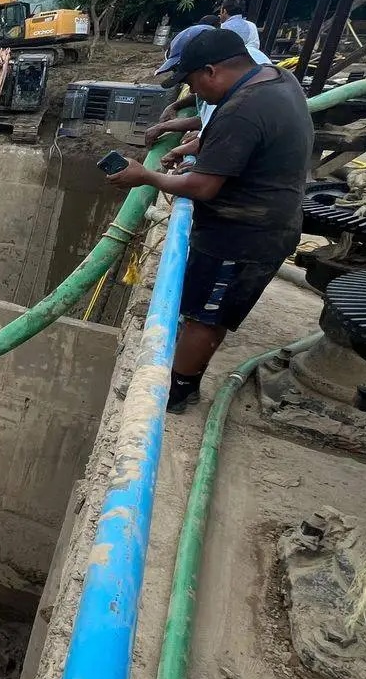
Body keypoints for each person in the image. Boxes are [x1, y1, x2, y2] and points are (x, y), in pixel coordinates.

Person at [106, 29, 314, 413]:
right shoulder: (275, 82)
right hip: (263, 224)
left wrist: (147, 176)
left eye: (191, 81)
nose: (194, 92)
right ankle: (183, 381)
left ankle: (174, 394)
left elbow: (202, 187)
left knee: (204, 317)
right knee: (207, 311)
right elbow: (228, 139)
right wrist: (188, 148)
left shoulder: (245, 108)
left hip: (242, 235)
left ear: (211, 71)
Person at [141, 16, 270, 147]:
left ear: (208, 69)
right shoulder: (243, 68)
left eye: (190, 81)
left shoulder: (237, 104)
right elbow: (209, 118)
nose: (191, 90)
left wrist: (200, 138)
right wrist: (174, 108)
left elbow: (219, 126)